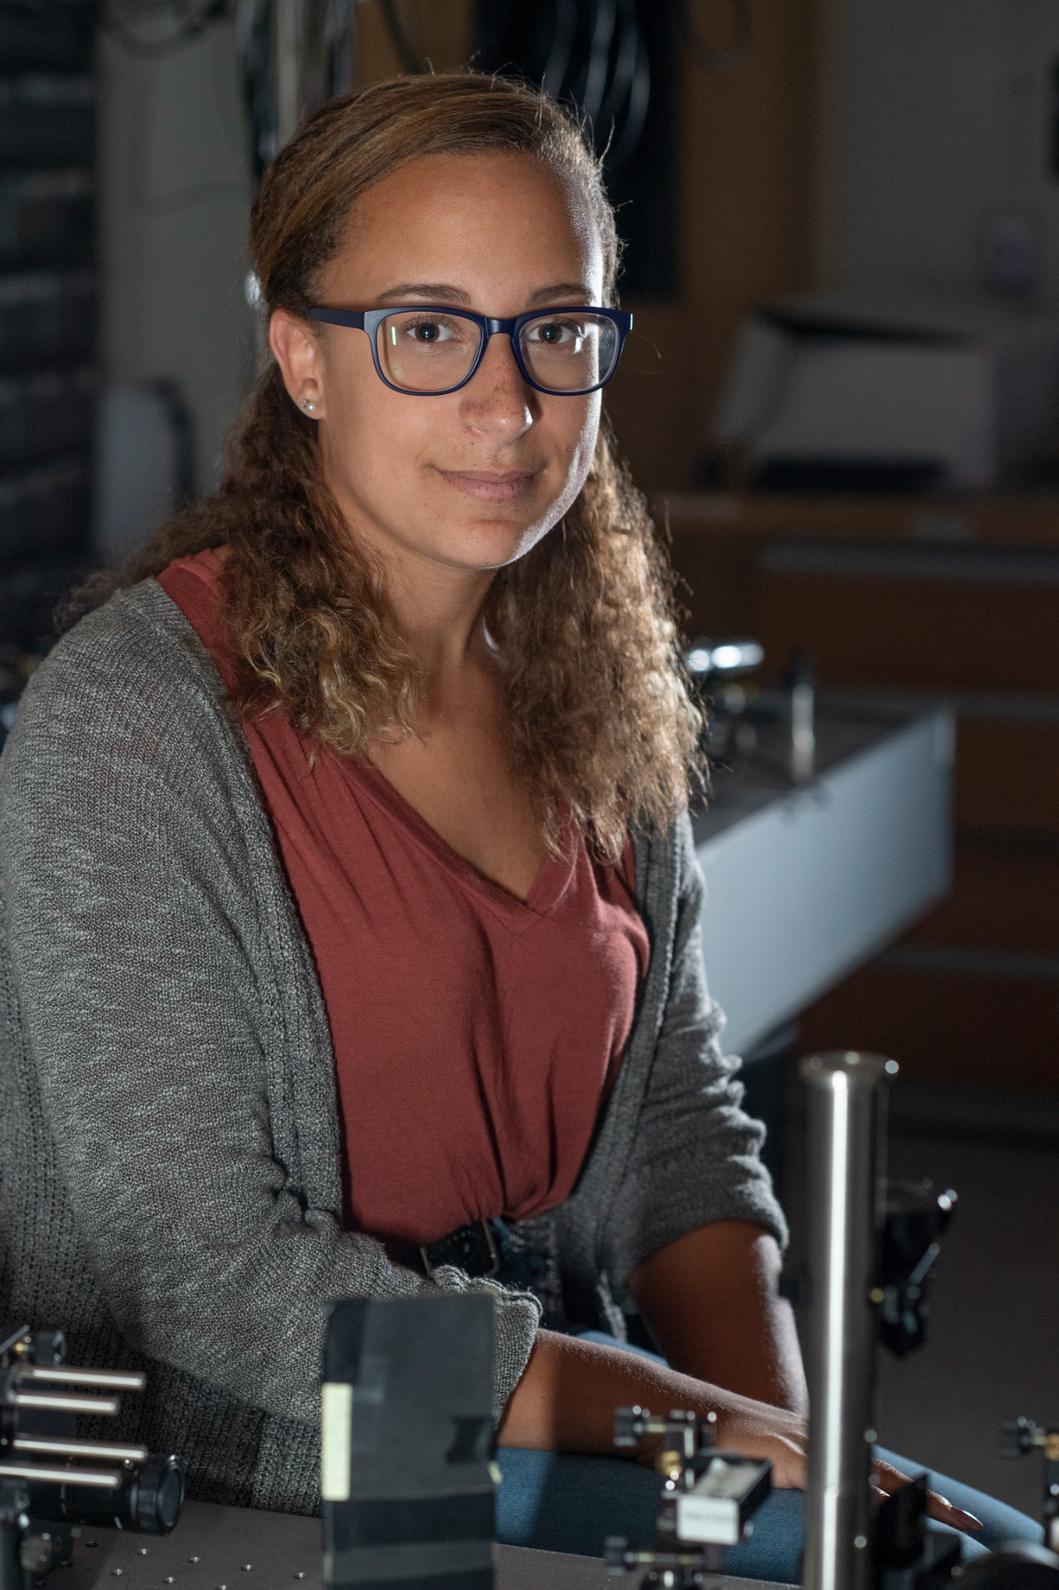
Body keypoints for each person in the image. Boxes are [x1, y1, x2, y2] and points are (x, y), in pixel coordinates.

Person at [0, 72, 1039, 1584]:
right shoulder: (138, 725)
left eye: (558, 329)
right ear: (302, 357)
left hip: (577, 1429)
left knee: (984, 1552)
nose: (508, 402)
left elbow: (679, 1128)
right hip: (274, 1488)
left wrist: (784, 1444)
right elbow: (206, 1276)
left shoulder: (594, 683)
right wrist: (689, 1428)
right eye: (426, 329)